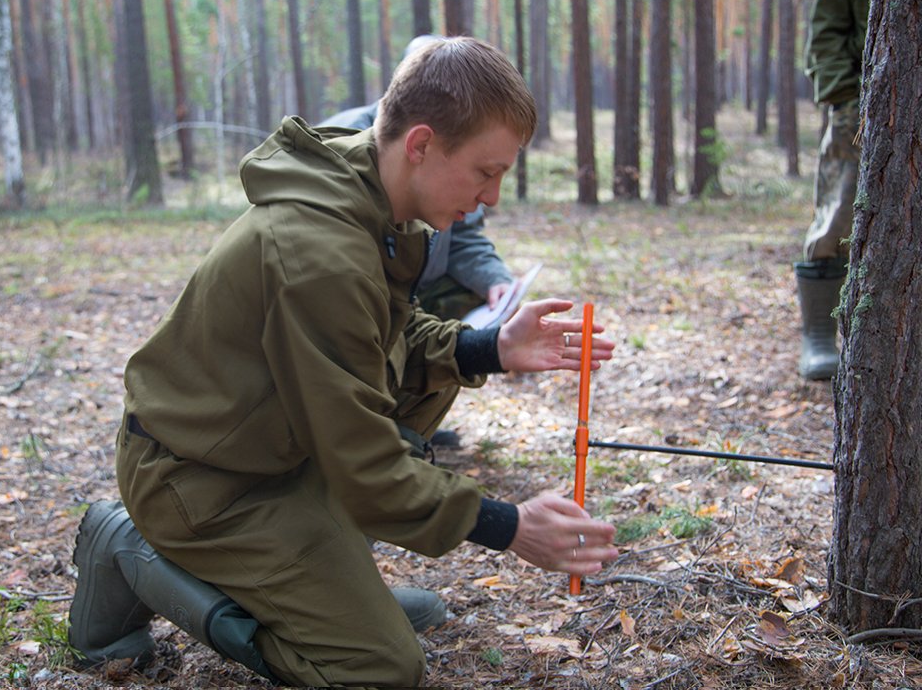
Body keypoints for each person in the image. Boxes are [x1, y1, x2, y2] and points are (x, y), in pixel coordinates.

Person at [68, 36, 618, 687]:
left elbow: (378, 334)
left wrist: (489, 347)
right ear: (420, 144)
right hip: (200, 480)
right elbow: (362, 462)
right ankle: (129, 547)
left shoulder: (372, 188)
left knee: (424, 394)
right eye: (485, 171)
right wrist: (511, 525)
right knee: (376, 667)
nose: (492, 196)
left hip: (269, 450)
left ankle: (328, 590)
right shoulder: (317, 249)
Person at [320, 35, 518, 449]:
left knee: (431, 325)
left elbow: (463, 236)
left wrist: (494, 290)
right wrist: (503, 518)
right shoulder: (346, 151)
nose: (492, 197)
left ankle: (407, 426)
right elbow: (345, 450)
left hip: (417, 285)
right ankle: (389, 428)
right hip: (375, 287)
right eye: (484, 174)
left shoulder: (439, 165)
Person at [796, 0, 872, 380]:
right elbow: (826, 30)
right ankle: (819, 334)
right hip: (869, 101)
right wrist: (847, 97)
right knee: (839, 208)